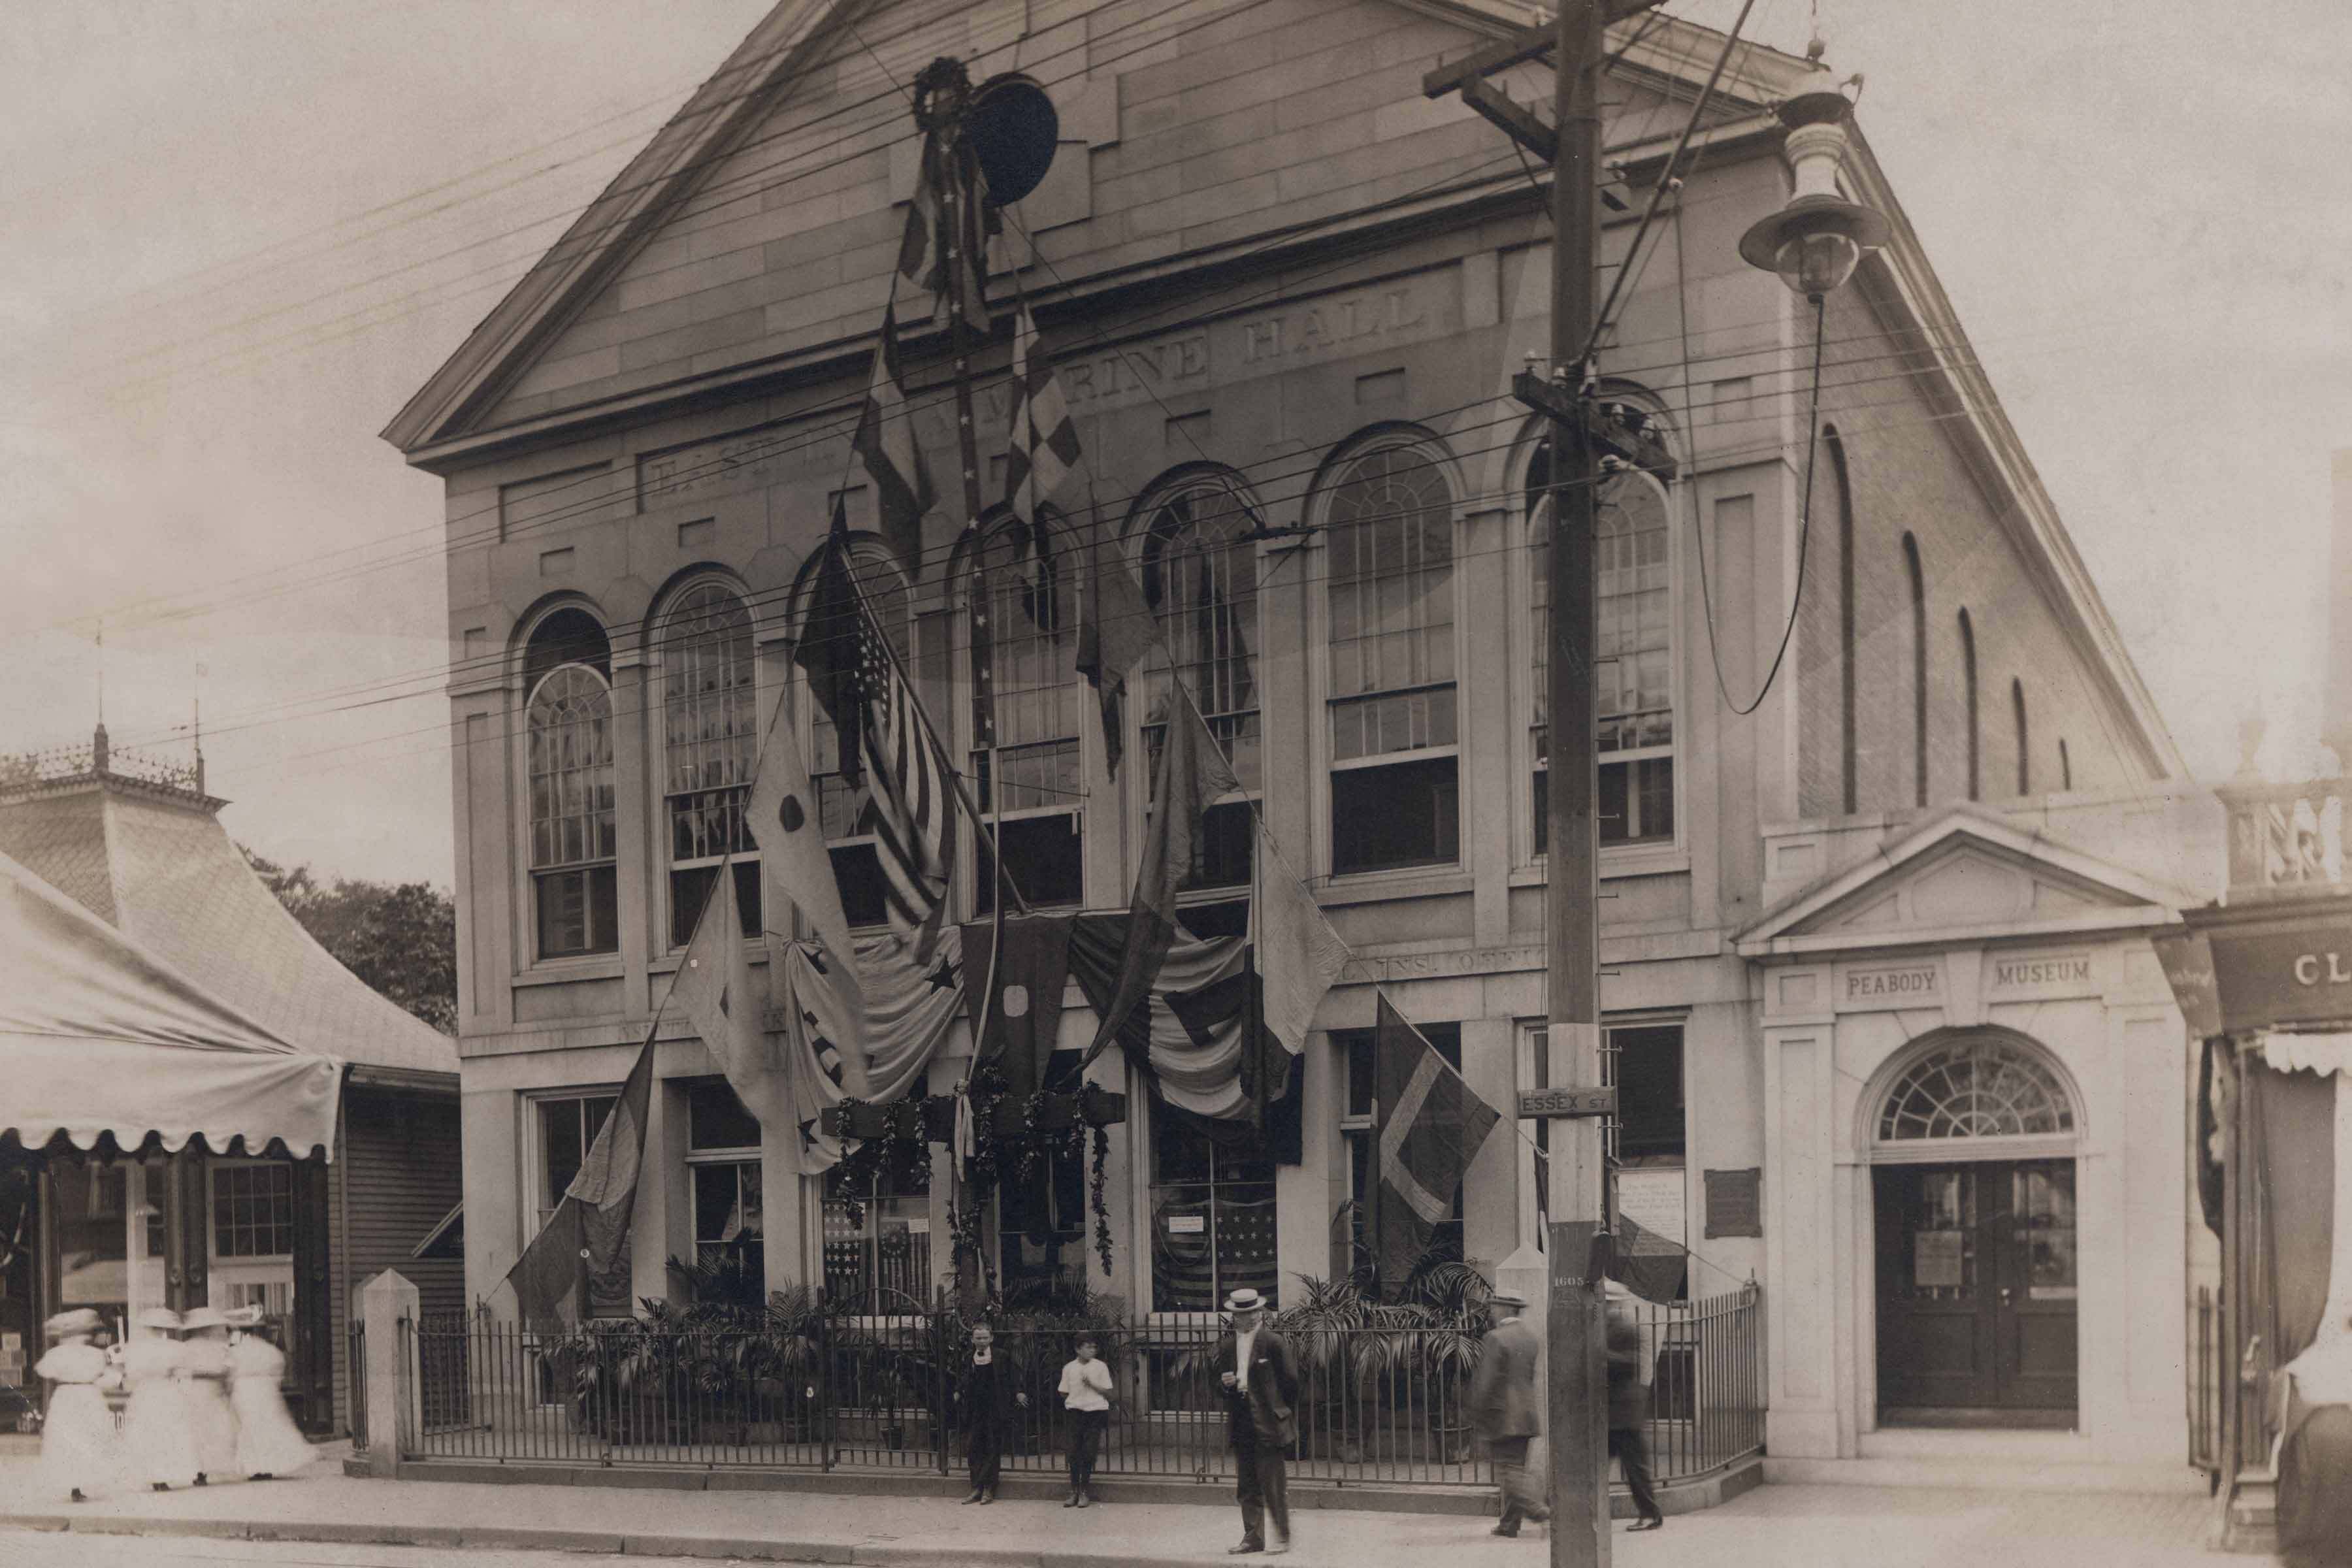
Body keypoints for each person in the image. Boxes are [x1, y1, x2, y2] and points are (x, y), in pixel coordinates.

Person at [1215, 1287, 1298, 1556]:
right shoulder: (1228, 1347)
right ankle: (1253, 1538)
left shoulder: (1273, 1343)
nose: (1245, 1318)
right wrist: (1226, 1385)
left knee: (1273, 1483)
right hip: (1242, 1419)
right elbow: (1219, 1385)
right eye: (1240, 1314)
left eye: (1250, 1313)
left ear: (1259, 1313)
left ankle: (1282, 1537)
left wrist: (1279, 1410)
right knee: (1247, 1483)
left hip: (1269, 1421)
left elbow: (1291, 1382)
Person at [1467, 1288, 1548, 1537]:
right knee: (1515, 1467)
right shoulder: (1530, 1338)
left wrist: (1476, 1411)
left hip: (1503, 1415)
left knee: (1507, 1471)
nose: (1492, 1310)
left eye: (1495, 1306)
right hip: (1526, 1415)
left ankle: (1539, 1511)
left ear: (1506, 1309)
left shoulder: (1495, 1338)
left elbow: (1486, 1382)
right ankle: (1509, 1524)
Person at [33, 1308, 121, 1503]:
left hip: (67, 1395)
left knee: (73, 1438)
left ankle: (76, 1485)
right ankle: (78, 1484)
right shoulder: (94, 1355)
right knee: (85, 1436)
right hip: (86, 1395)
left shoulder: (57, 1354)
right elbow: (107, 1377)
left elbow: (46, 1372)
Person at [226, 1307, 314, 1480]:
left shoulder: (237, 1351)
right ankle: (267, 1465)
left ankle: (255, 1467)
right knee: (267, 1425)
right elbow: (278, 1371)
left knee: (249, 1428)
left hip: (245, 1389)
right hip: (265, 1389)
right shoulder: (270, 1351)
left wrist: (231, 1389)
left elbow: (231, 1372)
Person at [1604, 1281, 1664, 1531]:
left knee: (1634, 1467)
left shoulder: (1625, 1327)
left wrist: (1601, 1355)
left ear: (1612, 1303)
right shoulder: (1604, 1327)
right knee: (1599, 1465)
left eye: (1606, 1302)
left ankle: (1650, 1514)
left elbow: (1629, 1363)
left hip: (1623, 1411)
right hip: (1615, 1412)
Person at [121, 1308, 199, 1492]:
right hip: (166, 1390)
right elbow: (183, 1373)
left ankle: (152, 1474)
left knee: (148, 1432)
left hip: (145, 1391)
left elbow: (131, 1375)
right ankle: (163, 1475)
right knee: (166, 1432)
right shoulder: (175, 1348)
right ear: (164, 1328)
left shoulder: (136, 1349)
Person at [955, 1322, 1026, 1505]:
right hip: (975, 1409)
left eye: (985, 1338)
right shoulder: (968, 1357)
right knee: (973, 1447)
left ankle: (988, 1489)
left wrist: (1018, 1392)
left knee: (992, 1448)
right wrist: (958, 1391)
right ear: (972, 1339)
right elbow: (962, 1378)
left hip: (995, 1408)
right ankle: (976, 1488)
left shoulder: (1002, 1356)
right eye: (978, 1338)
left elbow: (1014, 1376)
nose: (982, 1341)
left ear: (991, 1338)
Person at [179, 1307, 242, 1485]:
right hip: (204, 1389)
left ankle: (203, 1469)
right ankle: (202, 1470)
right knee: (207, 1428)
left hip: (203, 1389)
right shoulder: (214, 1348)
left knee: (205, 1429)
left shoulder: (190, 1347)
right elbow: (228, 1369)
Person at [1056, 1333, 1114, 1507]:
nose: (1092, 1350)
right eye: (1088, 1347)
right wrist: (1076, 1400)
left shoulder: (1101, 1367)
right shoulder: (1069, 1368)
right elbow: (1063, 1391)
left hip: (1095, 1413)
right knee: (1073, 1452)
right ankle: (1074, 1491)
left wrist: (1091, 1384)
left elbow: (1108, 1392)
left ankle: (1084, 1491)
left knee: (1089, 1452)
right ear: (1078, 1349)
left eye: (1094, 1347)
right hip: (1075, 1413)